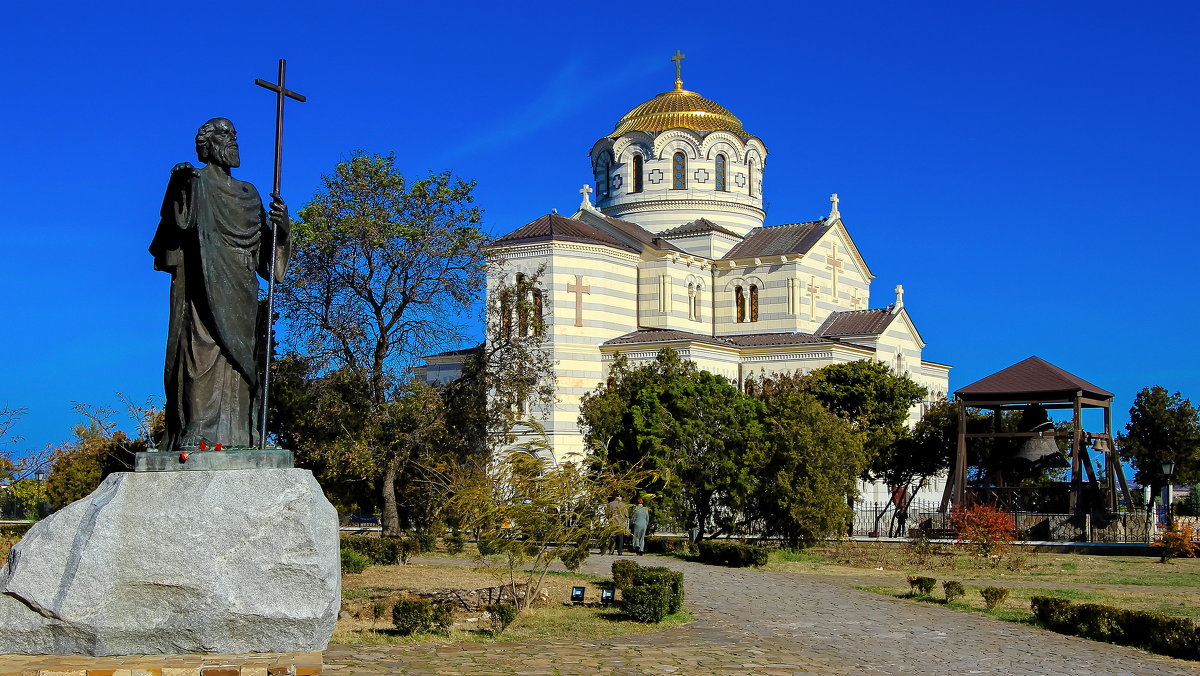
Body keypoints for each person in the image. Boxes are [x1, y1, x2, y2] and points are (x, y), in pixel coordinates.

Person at [149, 118, 291, 452]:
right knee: (203, 351)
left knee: (240, 361)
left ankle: (240, 433)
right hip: (204, 281)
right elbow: (177, 224)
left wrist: (282, 230)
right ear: (208, 144)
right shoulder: (196, 182)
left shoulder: (249, 192)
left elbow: (266, 261)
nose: (234, 141)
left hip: (241, 286)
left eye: (235, 135)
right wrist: (178, 185)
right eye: (226, 135)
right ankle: (198, 431)